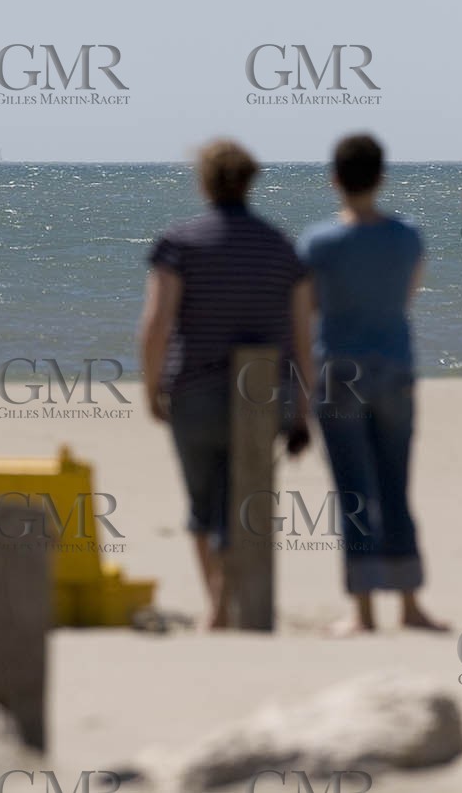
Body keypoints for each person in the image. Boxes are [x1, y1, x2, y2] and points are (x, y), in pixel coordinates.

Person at [138, 139, 313, 629]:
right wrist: (302, 412)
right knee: (245, 502)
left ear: (204, 182)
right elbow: (303, 339)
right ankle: (226, 601)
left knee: (201, 504)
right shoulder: (282, 248)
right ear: (250, 182)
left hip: (194, 391)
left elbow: (155, 326)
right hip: (265, 396)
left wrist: (152, 390)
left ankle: (216, 605)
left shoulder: (180, 244)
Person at [298, 133, 445, 634]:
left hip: (339, 368)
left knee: (354, 491)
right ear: (381, 177)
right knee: (396, 485)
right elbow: (405, 297)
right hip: (394, 367)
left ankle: (362, 611)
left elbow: (309, 307)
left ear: (334, 178)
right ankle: (409, 604)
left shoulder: (319, 243)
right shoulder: (407, 237)